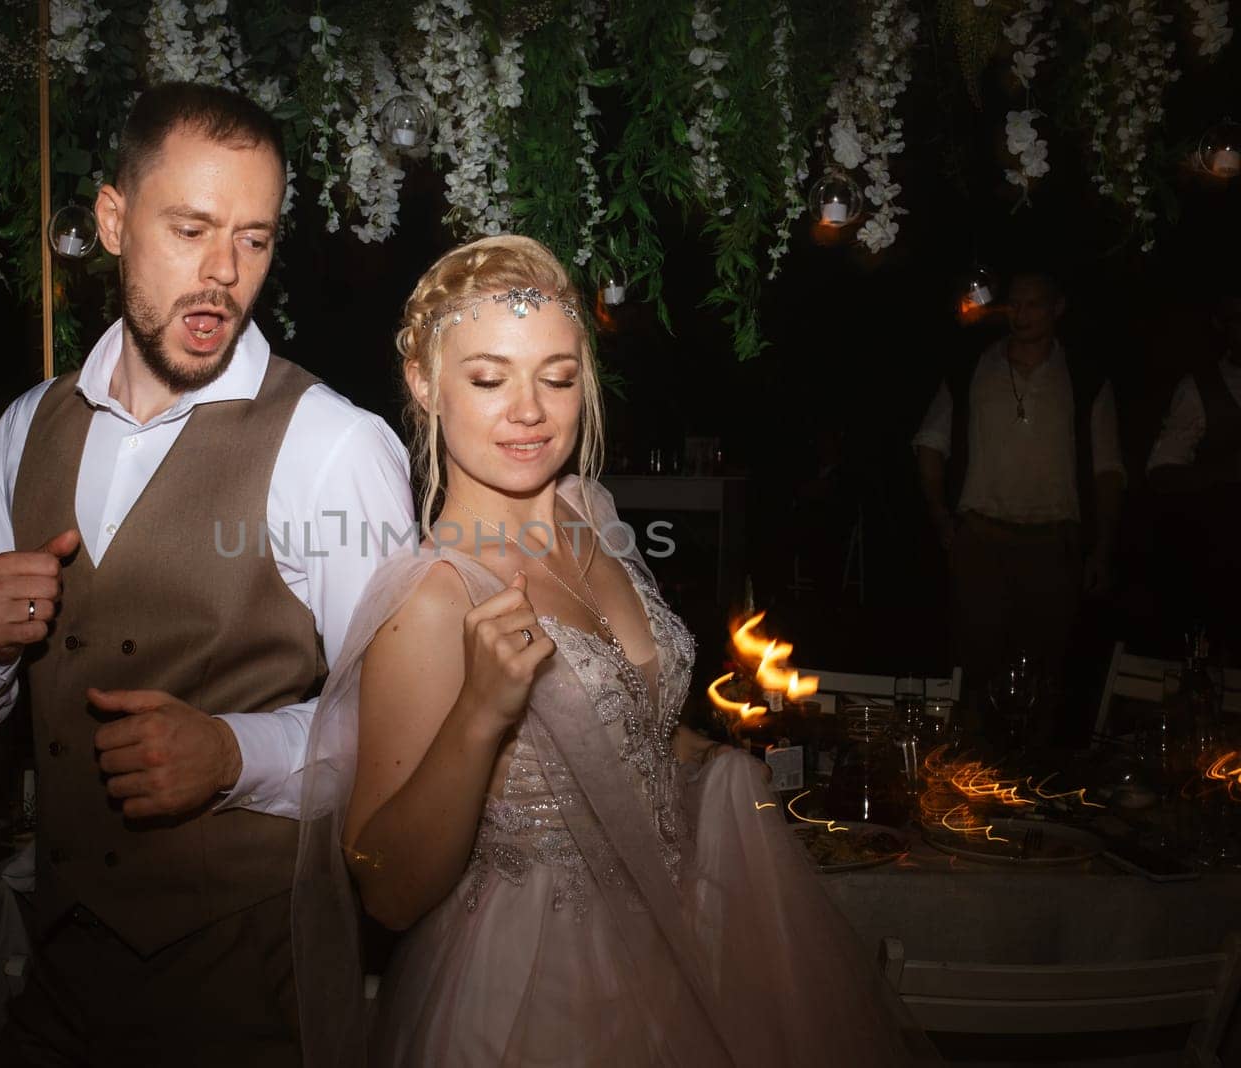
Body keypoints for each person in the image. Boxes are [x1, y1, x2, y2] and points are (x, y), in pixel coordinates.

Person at [293, 236, 919, 1066]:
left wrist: (710, 760)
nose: (531, 411)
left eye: (556, 377)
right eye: (489, 379)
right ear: (423, 383)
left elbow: (628, 719)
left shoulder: (591, 511)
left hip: (678, 938)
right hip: (528, 990)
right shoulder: (432, 597)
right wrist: (480, 715)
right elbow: (386, 887)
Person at [0, 82, 412, 1066]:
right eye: (191, 228)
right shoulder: (29, 426)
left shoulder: (331, 444)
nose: (223, 274)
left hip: (249, 995)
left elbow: (403, 731)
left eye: (255, 239)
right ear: (111, 220)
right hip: (53, 982)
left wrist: (234, 753)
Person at [913, 270, 1125, 743]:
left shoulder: (1085, 378)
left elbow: (1107, 469)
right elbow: (930, 442)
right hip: (982, 540)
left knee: (1045, 678)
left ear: (1057, 309)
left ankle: (1035, 785)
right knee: (973, 670)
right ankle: (969, 778)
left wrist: (1103, 548)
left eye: (1034, 305)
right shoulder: (972, 368)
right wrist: (941, 516)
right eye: (1015, 304)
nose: (1022, 315)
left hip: (1053, 544)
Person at [1145, 286, 1241, 649]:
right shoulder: (1200, 388)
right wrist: (1226, 473)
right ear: (1222, 325)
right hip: (1222, 566)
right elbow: (1160, 473)